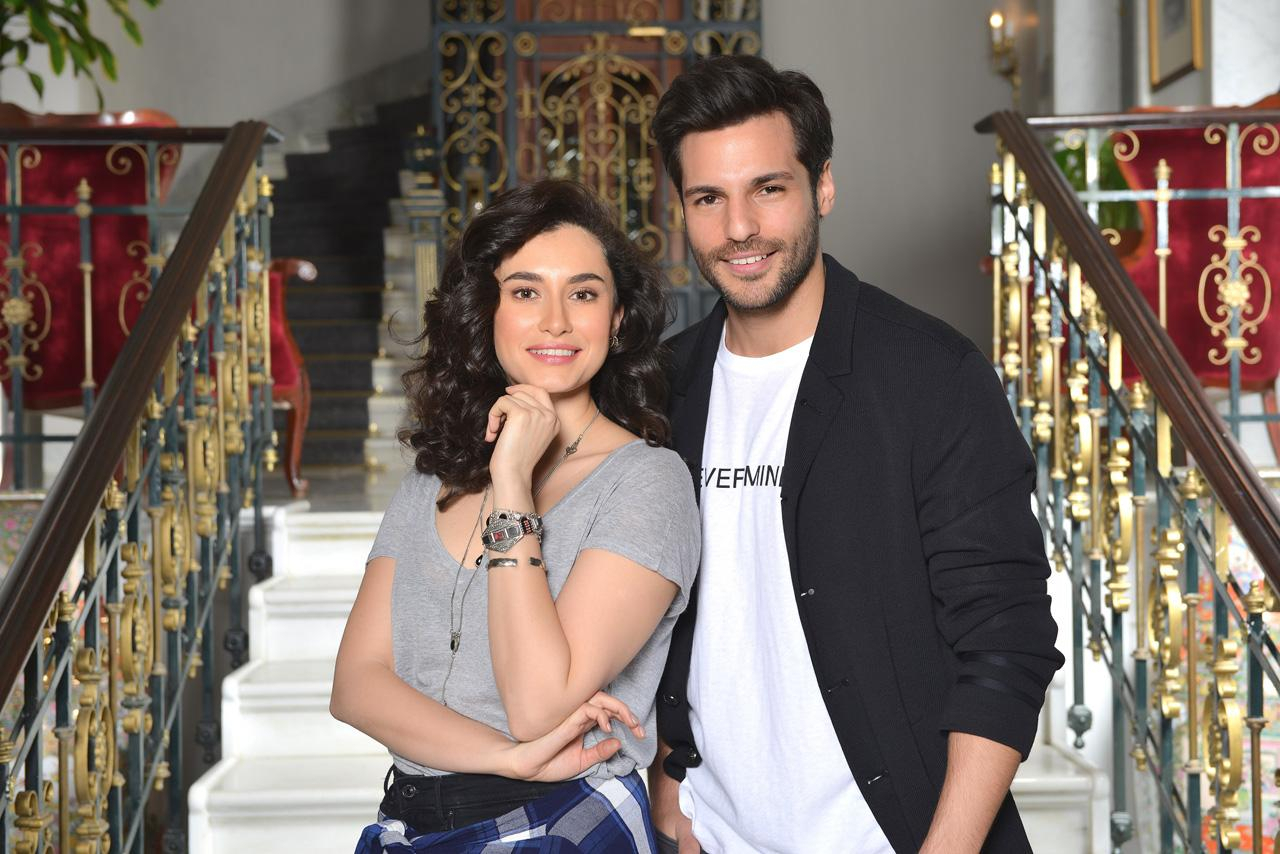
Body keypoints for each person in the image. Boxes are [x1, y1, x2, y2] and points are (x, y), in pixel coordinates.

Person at [645, 55, 1065, 854]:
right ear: (683, 211)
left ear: (823, 187)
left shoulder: (931, 376)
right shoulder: (662, 386)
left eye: (769, 188)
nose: (739, 228)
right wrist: (669, 783)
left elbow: (1006, 641)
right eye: (709, 198)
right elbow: (657, 619)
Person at [330, 179, 700, 853]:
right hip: (409, 825)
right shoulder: (433, 477)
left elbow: (538, 705)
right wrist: (506, 757)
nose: (555, 321)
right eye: (526, 292)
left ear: (617, 319)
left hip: (563, 818)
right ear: (487, 311)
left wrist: (511, 485)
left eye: (583, 294)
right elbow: (355, 685)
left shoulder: (648, 482)